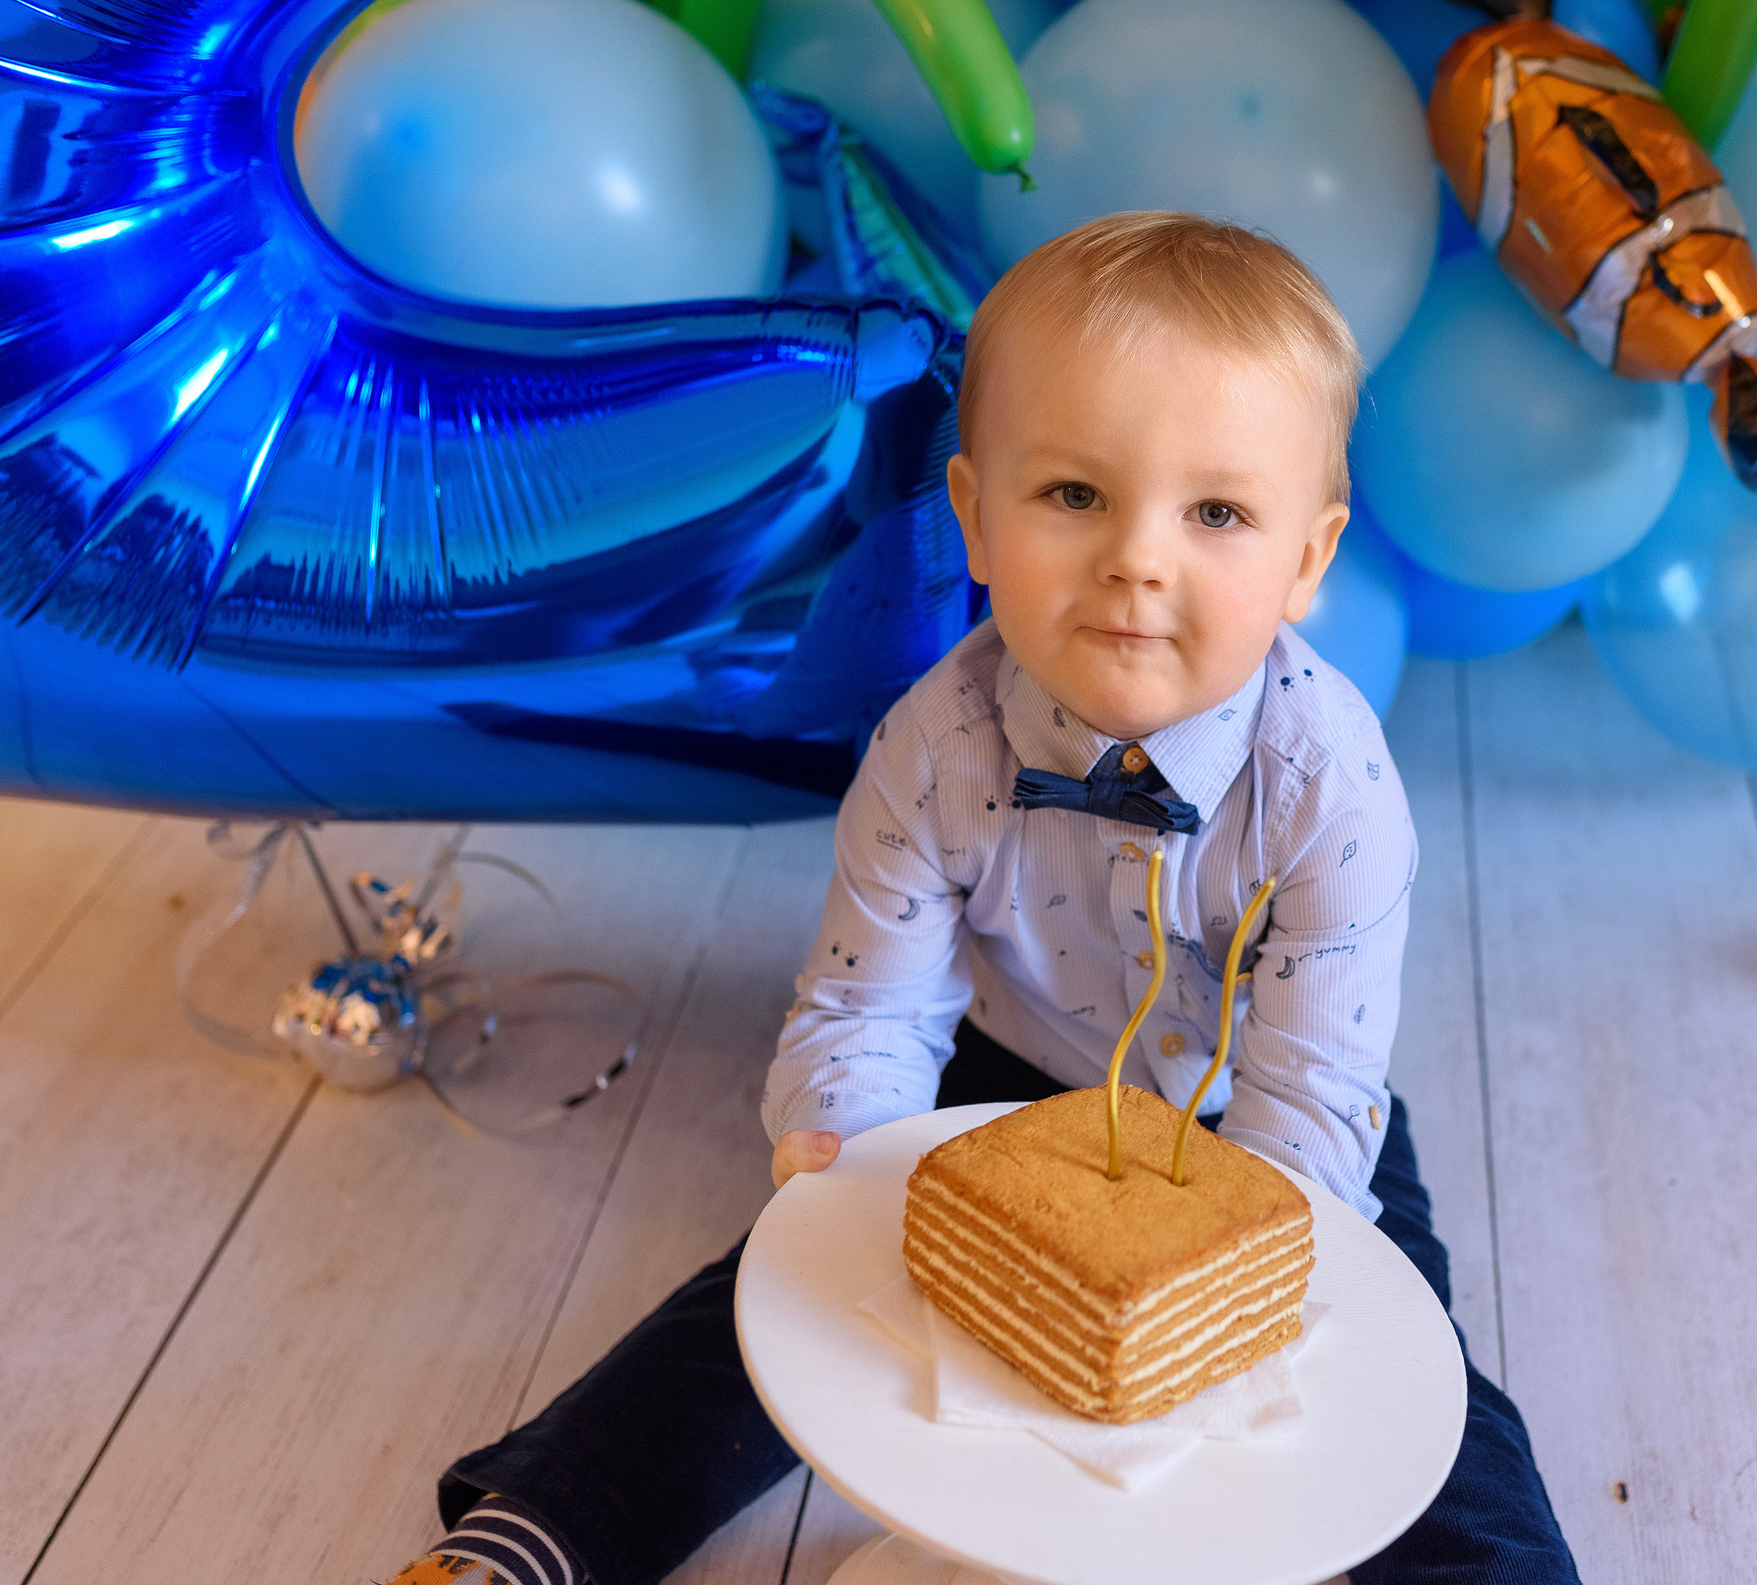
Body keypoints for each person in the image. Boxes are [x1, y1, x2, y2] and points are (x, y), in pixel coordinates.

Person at [390, 212, 1580, 1585]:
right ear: (973, 516)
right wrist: (850, 1160)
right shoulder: (936, 742)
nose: (1139, 558)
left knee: (1407, 1367)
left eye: (1216, 513)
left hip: (1244, 1094)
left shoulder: (1333, 791)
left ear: (1309, 559)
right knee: (772, 1303)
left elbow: (1309, 1097)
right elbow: (867, 999)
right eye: (1074, 495)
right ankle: (540, 1532)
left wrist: (1206, 1292)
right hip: (998, 1058)